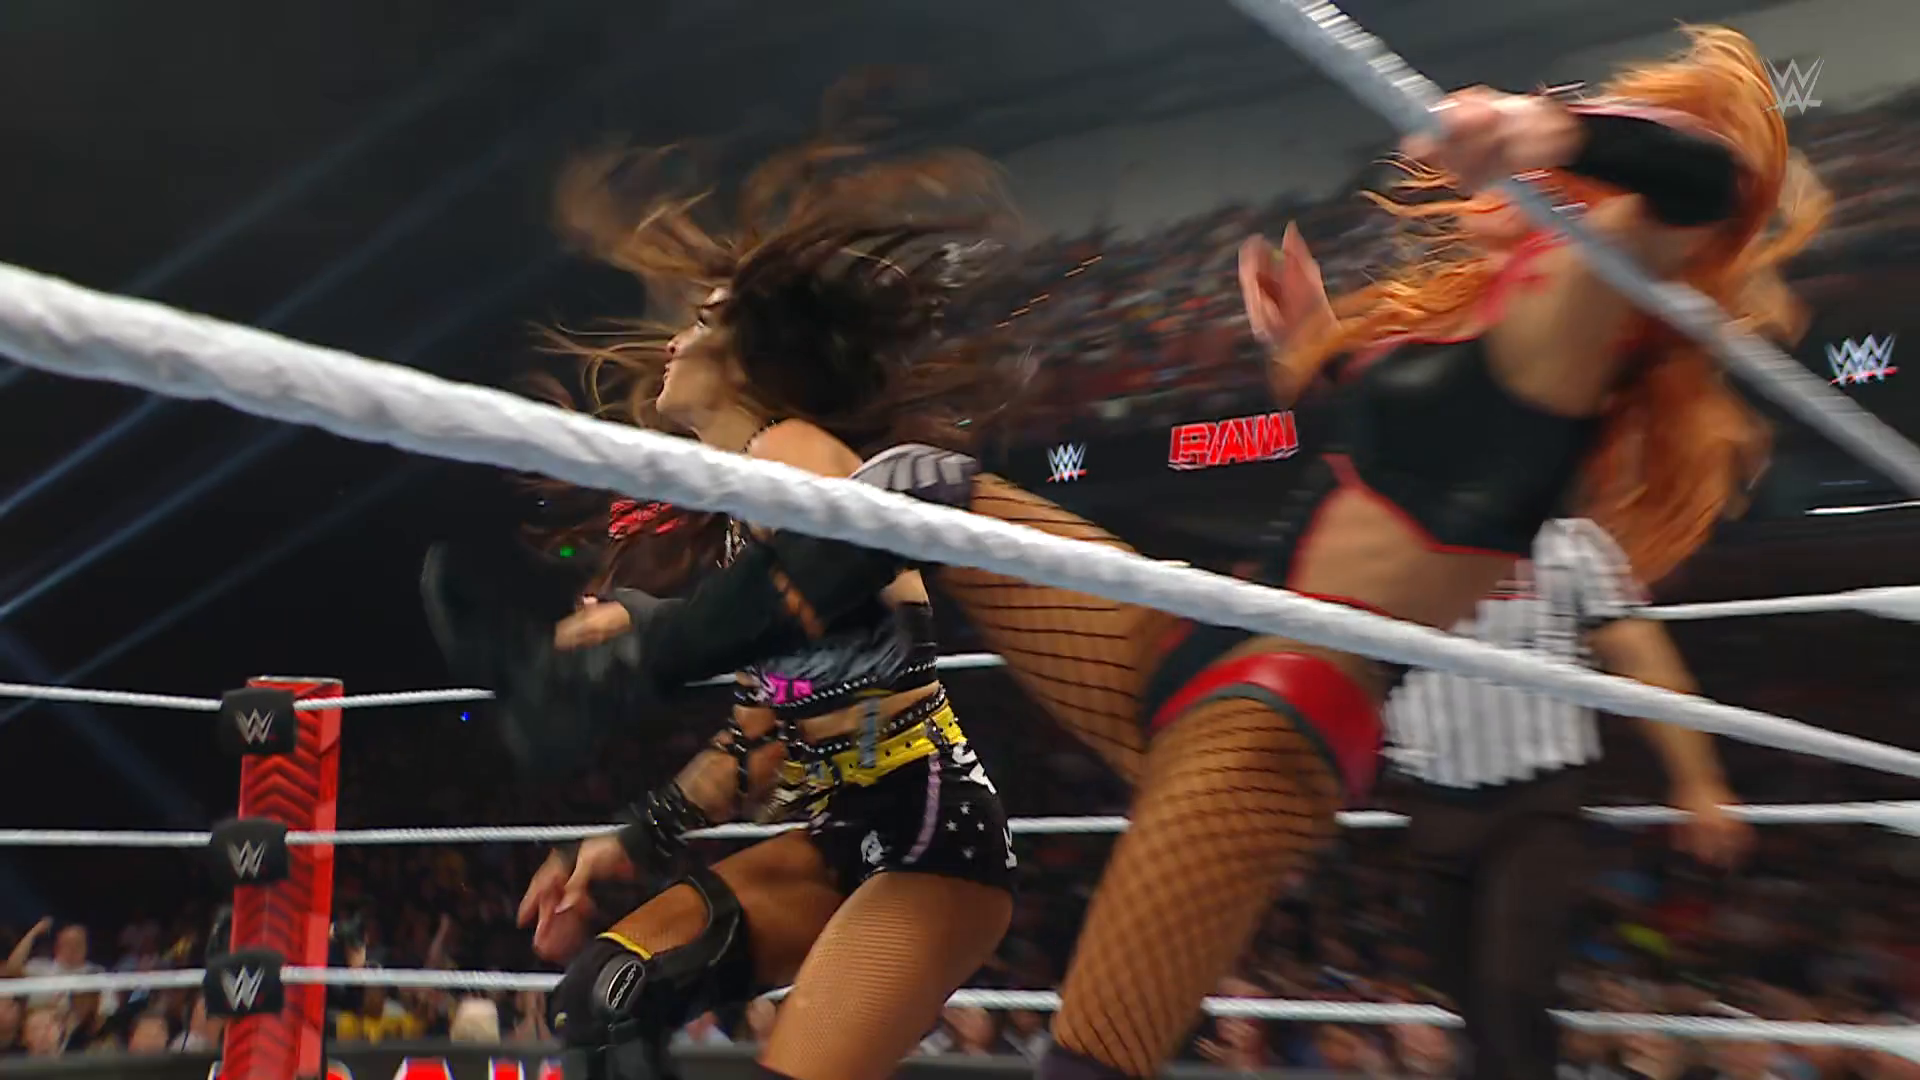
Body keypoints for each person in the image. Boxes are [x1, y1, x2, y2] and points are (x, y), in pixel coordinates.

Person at [462, 25, 1827, 1080]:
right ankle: (591, 681)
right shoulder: (1502, 318)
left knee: (1091, 1056)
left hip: (1278, 718)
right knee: (919, 490)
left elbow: (1710, 176)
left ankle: (602, 674)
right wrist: (1307, 356)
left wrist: (1548, 125)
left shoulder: (1587, 304)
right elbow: (1399, 475)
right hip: (1191, 639)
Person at [424, 136, 1025, 1080]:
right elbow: (759, 740)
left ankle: (585, 677)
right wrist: (626, 839)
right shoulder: (755, 508)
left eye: (703, 320)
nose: (674, 339)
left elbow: (829, 598)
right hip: (840, 835)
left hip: (929, 837)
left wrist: (639, 628)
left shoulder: (795, 453)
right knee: (606, 998)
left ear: (750, 358)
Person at [1384, 516, 1753, 1079]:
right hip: (1432, 799)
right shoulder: (1396, 537)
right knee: (1467, 992)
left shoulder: (1568, 542)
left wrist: (1697, 778)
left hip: (1535, 801)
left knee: (1511, 990)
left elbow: (1639, 654)